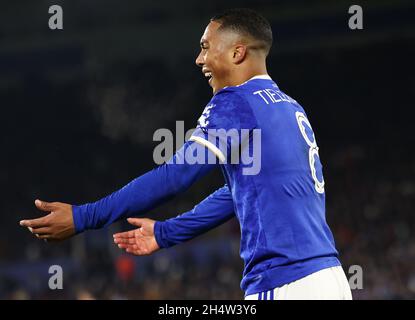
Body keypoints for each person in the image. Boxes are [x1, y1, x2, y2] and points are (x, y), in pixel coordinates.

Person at [20, 8, 352, 300]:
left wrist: (83, 217)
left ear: (237, 52)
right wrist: (166, 232)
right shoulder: (289, 107)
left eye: (206, 47)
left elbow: (176, 175)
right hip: (329, 279)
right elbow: (237, 193)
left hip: (286, 283)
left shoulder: (236, 101)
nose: (199, 59)